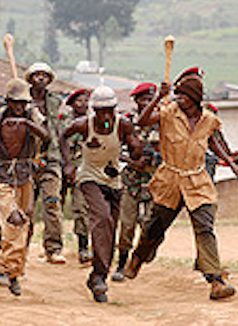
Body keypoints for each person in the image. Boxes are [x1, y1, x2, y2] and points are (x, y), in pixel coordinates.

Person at [124, 67, 238, 301]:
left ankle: (215, 280)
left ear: (194, 99)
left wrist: (230, 164)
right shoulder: (168, 112)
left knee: (205, 227)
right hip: (170, 181)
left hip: (198, 182)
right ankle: (138, 257)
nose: (178, 98)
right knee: (154, 228)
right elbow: (142, 121)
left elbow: (212, 141)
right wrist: (159, 96)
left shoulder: (208, 119)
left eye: (183, 95)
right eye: (177, 94)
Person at [60, 86, 142, 303]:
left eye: (109, 110)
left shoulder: (122, 124)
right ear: (93, 109)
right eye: (101, 110)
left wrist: (135, 148)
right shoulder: (84, 125)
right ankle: (99, 279)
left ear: (115, 108)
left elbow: (134, 147)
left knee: (111, 230)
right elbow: (63, 136)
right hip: (89, 178)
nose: (105, 115)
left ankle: (98, 275)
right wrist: (68, 164)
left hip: (114, 181)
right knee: (102, 218)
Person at [0, 78, 50, 296]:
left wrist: (28, 124)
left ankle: (15, 273)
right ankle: (4, 269)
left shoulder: (32, 115)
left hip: (25, 178)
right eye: (15, 103)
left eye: (23, 103)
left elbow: (47, 137)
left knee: (25, 224)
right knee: (14, 219)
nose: (19, 107)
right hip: (0, 178)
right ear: (8, 102)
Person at [111, 83, 161, 282]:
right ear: (136, 101)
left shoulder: (162, 121)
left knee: (152, 225)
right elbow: (115, 149)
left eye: (150, 99)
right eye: (143, 99)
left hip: (155, 182)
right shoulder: (126, 122)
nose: (146, 103)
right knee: (127, 226)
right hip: (131, 181)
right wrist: (133, 161)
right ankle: (122, 264)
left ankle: (143, 254)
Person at [24, 62, 66, 264]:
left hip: (50, 159)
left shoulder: (55, 101)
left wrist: (66, 162)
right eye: (36, 75)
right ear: (30, 79)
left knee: (52, 203)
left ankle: (53, 249)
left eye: (44, 76)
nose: (40, 78)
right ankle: (21, 247)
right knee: (26, 208)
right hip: (26, 160)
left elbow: (59, 132)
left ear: (49, 80)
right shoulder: (20, 100)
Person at [58, 89, 92, 264]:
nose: (84, 104)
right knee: (56, 208)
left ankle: (83, 248)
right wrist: (66, 165)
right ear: (71, 104)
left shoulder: (93, 121)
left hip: (83, 170)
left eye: (86, 101)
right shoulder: (64, 120)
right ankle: (54, 248)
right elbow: (60, 141)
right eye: (79, 101)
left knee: (81, 208)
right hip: (62, 166)